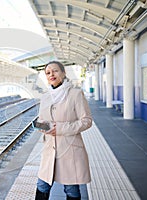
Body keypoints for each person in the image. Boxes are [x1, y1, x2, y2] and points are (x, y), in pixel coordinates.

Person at [35, 61, 92, 200]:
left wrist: (60, 129)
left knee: (71, 188)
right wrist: (41, 126)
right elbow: (42, 119)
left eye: (55, 71)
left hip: (70, 149)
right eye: (48, 73)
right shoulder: (45, 96)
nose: (51, 75)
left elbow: (87, 121)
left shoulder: (75, 94)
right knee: (42, 185)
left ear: (63, 73)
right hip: (50, 149)